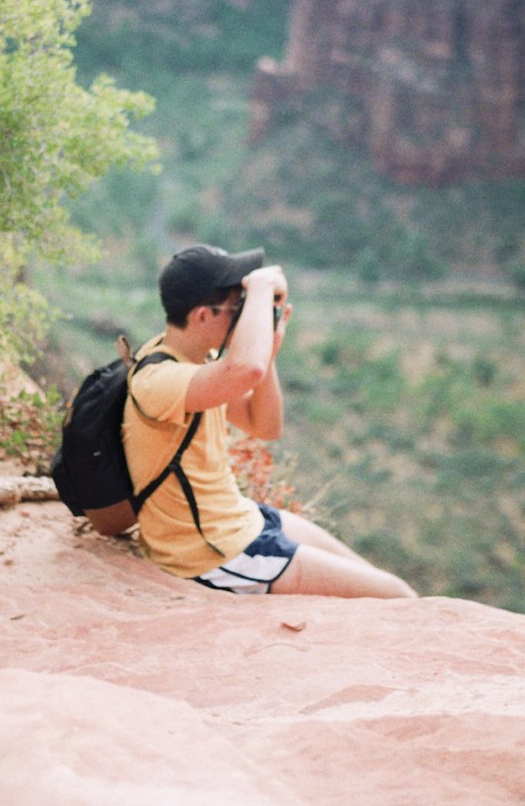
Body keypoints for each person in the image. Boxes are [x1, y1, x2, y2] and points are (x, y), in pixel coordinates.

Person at [121, 243, 417, 597]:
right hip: (210, 552)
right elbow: (246, 368)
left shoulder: (198, 361)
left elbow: (265, 426)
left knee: (376, 578)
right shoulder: (161, 380)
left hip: (237, 519)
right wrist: (260, 289)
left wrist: (270, 349)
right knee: (397, 596)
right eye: (237, 307)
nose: (244, 315)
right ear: (202, 316)